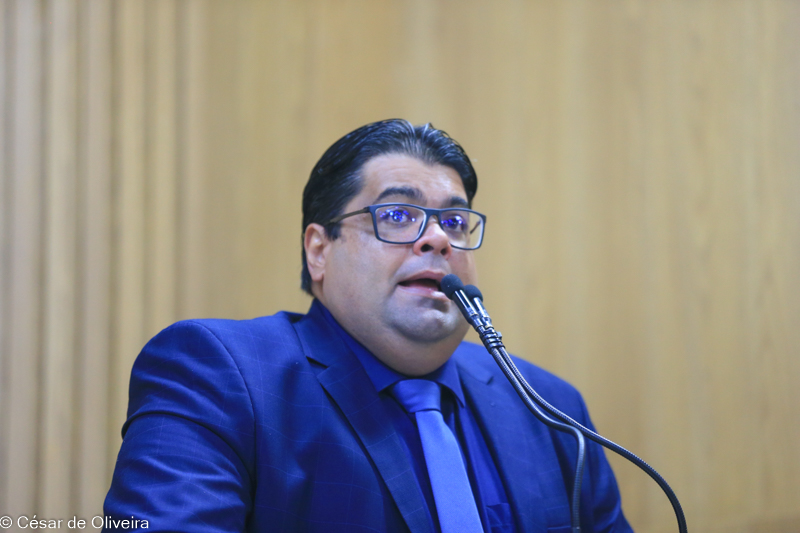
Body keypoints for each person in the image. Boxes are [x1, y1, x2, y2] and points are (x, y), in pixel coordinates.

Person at [104, 119, 632, 532]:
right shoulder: (219, 374)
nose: (437, 239)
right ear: (319, 250)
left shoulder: (549, 407)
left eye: (454, 221)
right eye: (398, 215)